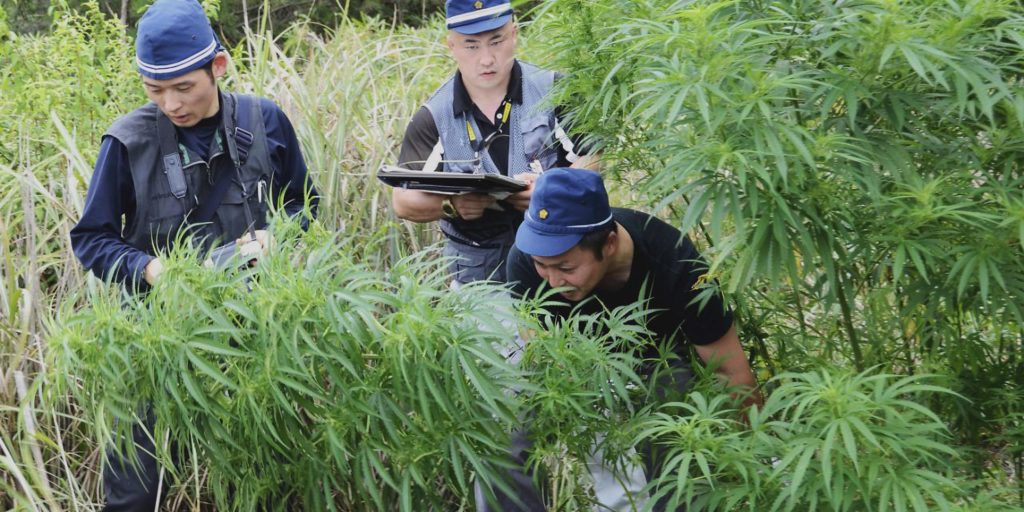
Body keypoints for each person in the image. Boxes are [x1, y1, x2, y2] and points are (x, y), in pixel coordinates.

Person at [69, 0, 317, 509]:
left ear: (218, 67)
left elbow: (304, 207)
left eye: (184, 87)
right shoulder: (127, 141)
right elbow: (91, 238)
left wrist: (278, 237)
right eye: (154, 90)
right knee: (135, 492)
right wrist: (149, 268)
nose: (171, 104)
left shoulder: (265, 121)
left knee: (264, 483)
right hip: (155, 344)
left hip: (256, 338)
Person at [506, 168, 762, 510]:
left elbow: (732, 374)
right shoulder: (525, 262)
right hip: (574, 365)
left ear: (608, 244)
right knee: (506, 428)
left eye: (566, 269)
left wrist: (757, 460)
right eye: (543, 265)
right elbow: (543, 359)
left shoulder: (678, 264)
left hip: (656, 360)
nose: (552, 281)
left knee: (671, 433)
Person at [392, 0, 594, 285]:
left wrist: (553, 189)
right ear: (452, 46)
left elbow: (598, 156)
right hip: (479, 277)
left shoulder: (555, 91)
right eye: (471, 46)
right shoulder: (433, 116)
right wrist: (452, 204)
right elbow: (403, 200)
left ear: (514, 34)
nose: (486, 59)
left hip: (562, 265)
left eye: (496, 41)